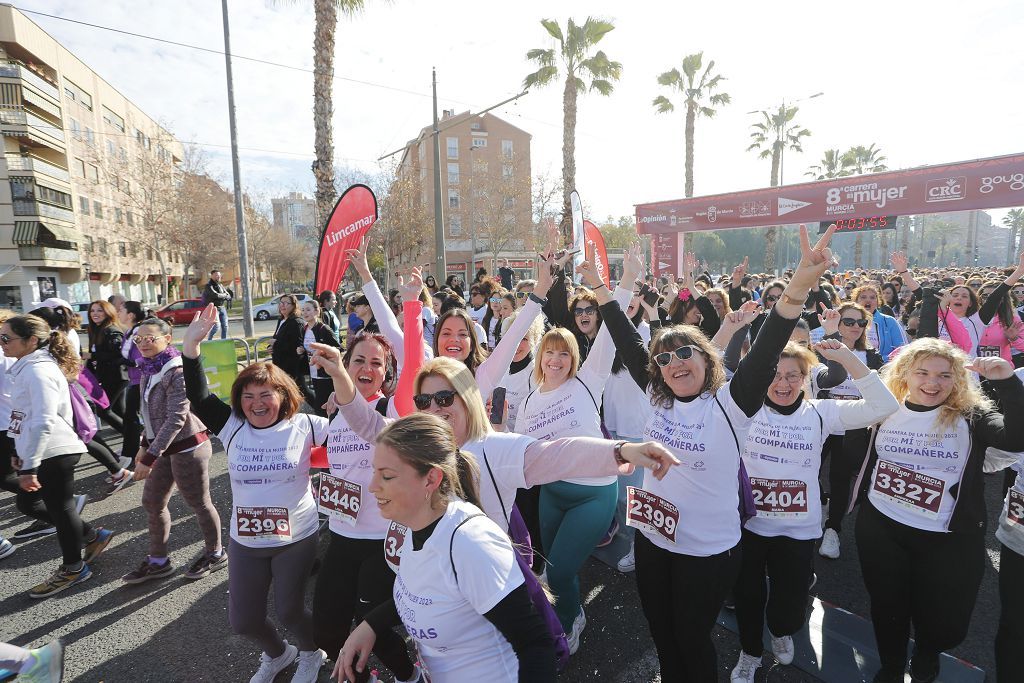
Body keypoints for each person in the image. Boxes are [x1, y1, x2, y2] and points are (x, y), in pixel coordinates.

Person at [601, 225, 838, 681]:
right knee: (663, 634)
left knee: (692, 637)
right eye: (664, 360)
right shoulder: (659, 396)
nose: (674, 363)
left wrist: (800, 285)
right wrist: (603, 285)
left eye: (685, 352)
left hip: (707, 550)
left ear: (707, 359)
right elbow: (627, 339)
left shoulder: (732, 404)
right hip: (654, 539)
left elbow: (770, 342)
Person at [334, 413, 557, 683]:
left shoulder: (470, 545)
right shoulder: (413, 525)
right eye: (374, 471)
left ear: (430, 480)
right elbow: (429, 596)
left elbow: (535, 645)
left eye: (387, 476)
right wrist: (369, 625)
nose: (372, 486)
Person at [850, 340, 1024, 683]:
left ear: (958, 380)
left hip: (949, 539)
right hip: (882, 528)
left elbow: (1017, 438)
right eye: (923, 373)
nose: (933, 383)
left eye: (945, 375)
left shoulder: (971, 416)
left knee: (947, 625)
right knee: (888, 608)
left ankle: (928, 653)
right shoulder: (884, 408)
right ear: (905, 375)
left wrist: (1008, 383)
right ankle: (891, 666)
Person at [729, 339, 898, 682]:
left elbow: (884, 405)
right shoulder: (742, 411)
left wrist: (848, 357)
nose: (783, 384)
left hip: (797, 529)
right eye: (775, 375)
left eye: (793, 376)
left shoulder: (822, 412)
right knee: (746, 596)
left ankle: (780, 631)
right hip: (747, 525)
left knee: (788, 603)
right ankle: (748, 651)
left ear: (806, 379)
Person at [181, 303, 328, 683]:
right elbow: (198, 397)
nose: (257, 404)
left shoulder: (306, 425)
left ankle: (312, 653)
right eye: (248, 396)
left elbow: (356, 434)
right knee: (243, 620)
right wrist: (191, 349)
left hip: (296, 535)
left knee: (291, 611)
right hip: (245, 538)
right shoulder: (231, 426)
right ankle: (279, 654)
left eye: (266, 395)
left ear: (282, 396)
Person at [513, 258, 632, 645]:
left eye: (564, 353)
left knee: (559, 571)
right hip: (553, 495)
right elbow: (520, 454)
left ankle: (568, 623)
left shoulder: (589, 380)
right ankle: (572, 609)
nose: (556, 359)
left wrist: (625, 280)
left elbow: (612, 330)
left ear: (574, 359)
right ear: (540, 358)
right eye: (549, 352)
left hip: (594, 493)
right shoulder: (530, 401)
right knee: (557, 565)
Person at [310, 332, 418, 683]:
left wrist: (339, 379)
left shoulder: (391, 410)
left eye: (377, 362)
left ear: (387, 372)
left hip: (383, 539)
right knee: (326, 631)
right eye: (359, 360)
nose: (367, 368)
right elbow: (332, 455)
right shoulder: (336, 411)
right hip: (342, 533)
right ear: (348, 362)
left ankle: (408, 676)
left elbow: (364, 420)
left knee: (373, 621)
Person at [4, 314, 115, 598]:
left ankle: (73, 568)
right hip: (44, 450)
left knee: (60, 509)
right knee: (32, 504)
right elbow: (20, 415)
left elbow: (43, 420)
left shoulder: (38, 370)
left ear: (31, 341)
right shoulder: (25, 366)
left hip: (54, 450)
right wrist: (19, 450)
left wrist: (29, 464)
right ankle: (91, 536)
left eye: (6, 338)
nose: (1, 343)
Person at [120, 317, 224, 584]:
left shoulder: (176, 370)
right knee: (152, 502)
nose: (143, 343)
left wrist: (150, 456)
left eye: (150, 338)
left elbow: (176, 417)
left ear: (167, 339)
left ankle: (216, 553)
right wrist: (144, 447)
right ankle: (159, 561)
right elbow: (150, 415)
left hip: (188, 445)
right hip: (162, 446)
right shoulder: (148, 368)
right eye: (138, 339)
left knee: (198, 503)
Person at [85, 300, 126, 433]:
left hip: (117, 376)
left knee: (103, 410)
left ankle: (134, 436)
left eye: (99, 310)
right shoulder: (95, 329)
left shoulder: (111, 330)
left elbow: (118, 354)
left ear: (108, 312)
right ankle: (135, 441)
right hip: (107, 376)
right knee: (120, 411)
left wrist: (92, 356)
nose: (95, 313)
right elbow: (94, 354)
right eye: (92, 310)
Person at [298, 299, 341, 416]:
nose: (305, 313)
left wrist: (322, 351)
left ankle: (330, 427)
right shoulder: (304, 329)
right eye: (303, 310)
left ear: (317, 311)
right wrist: (301, 349)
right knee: (320, 402)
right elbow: (306, 346)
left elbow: (339, 348)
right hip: (313, 371)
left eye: (308, 309)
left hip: (325, 372)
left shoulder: (324, 329)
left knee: (323, 404)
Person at [117, 301, 147, 467]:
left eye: (121, 310)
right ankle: (132, 451)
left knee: (131, 417)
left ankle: (130, 453)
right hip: (134, 380)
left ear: (131, 315)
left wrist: (132, 363)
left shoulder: (139, 332)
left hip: (142, 380)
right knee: (133, 417)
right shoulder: (129, 332)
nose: (118, 313)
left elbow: (148, 354)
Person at [269, 294, 305, 388]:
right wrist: (270, 348)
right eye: (281, 302)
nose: (282, 305)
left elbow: (296, 346)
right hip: (279, 363)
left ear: (293, 306)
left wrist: (276, 344)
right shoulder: (281, 319)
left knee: (301, 390)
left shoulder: (296, 322)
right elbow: (276, 338)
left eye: (286, 303)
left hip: (291, 366)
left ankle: (319, 403)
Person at [201, 270, 230, 340]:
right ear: (212, 275)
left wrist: (225, 295)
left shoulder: (220, 285)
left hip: (222, 308)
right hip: (214, 308)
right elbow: (215, 295)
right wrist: (224, 295)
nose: (219, 276)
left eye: (219, 275)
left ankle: (224, 340)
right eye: (217, 275)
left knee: (225, 326)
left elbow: (228, 295)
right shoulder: (208, 286)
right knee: (217, 326)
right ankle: (210, 340)